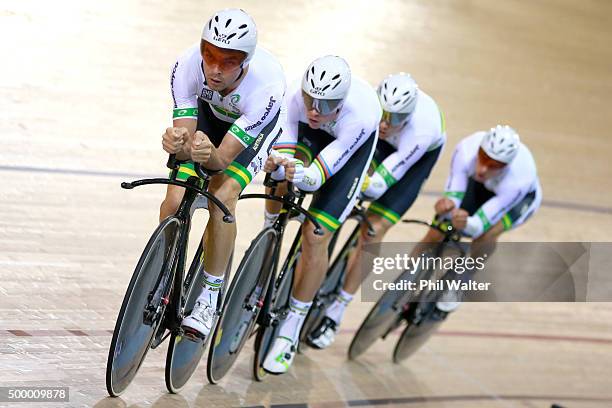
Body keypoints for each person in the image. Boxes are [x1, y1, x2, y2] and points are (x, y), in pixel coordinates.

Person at [160, 8, 286, 340]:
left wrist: (207, 156)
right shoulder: (186, 66)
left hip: (250, 133)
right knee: (174, 199)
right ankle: (161, 274)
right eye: (210, 55)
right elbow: (185, 141)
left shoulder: (267, 89)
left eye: (228, 61)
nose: (215, 69)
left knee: (222, 196)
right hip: (211, 116)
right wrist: (177, 143)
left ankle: (210, 295)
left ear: (245, 61)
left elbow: (221, 161)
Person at [306, 73, 447, 349]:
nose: (385, 123)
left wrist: (363, 181)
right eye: (383, 114)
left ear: (407, 116)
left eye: (394, 118)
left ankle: (337, 310)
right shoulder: (369, 110)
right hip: (378, 147)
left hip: (410, 163)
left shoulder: (421, 130)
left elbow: (382, 181)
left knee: (374, 229)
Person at [260, 55, 381, 374]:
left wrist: (303, 175)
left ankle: (291, 329)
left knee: (316, 235)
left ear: (341, 101)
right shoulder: (292, 98)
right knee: (277, 173)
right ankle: (268, 234)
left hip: (347, 154)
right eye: (310, 100)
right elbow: (283, 145)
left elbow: (316, 176)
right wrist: (280, 165)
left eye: (326, 105)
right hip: (309, 140)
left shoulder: (361, 115)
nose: (315, 110)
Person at [429, 125, 542, 311]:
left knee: (486, 235)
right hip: (481, 187)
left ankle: (464, 280)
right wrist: (448, 207)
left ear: (506, 165)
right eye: (483, 158)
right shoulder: (466, 149)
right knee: (439, 226)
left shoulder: (519, 180)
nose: (482, 168)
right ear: (479, 149)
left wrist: (466, 222)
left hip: (518, 202)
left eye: (494, 165)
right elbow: (453, 196)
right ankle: (410, 272)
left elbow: (479, 226)